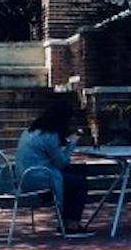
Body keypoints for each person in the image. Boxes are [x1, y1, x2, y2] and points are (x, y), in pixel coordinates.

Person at [16, 97, 90, 234]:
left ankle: (66, 221)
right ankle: (71, 225)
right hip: (39, 178)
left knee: (75, 175)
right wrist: (71, 145)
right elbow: (61, 163)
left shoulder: (30, 131)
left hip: (24, 176)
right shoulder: (50, 136)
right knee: (79, 183)